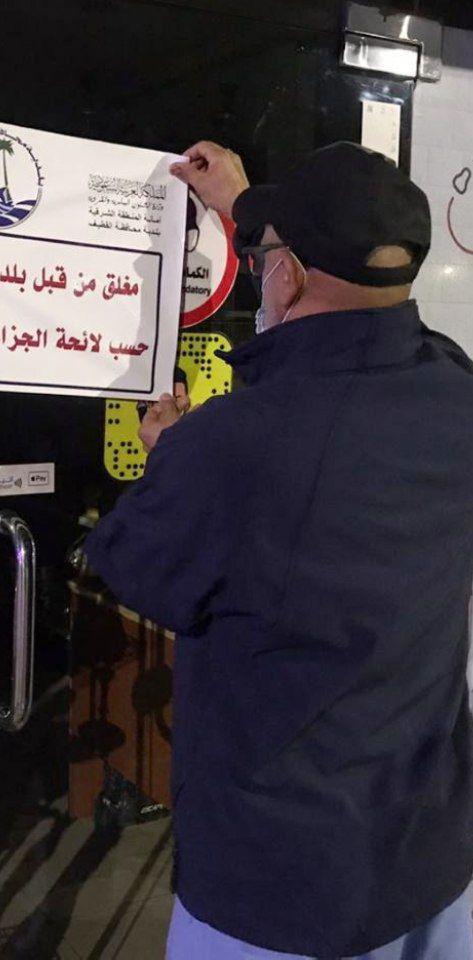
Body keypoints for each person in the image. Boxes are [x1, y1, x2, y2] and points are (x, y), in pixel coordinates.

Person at [85, 140, 473, 959]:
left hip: (279, 884)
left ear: (287, 276)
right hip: (427, 853)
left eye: (262, 261)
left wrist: (169, 462)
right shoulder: (454, 388)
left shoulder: (228, 444)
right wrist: (246, 213)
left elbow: (139, 572)